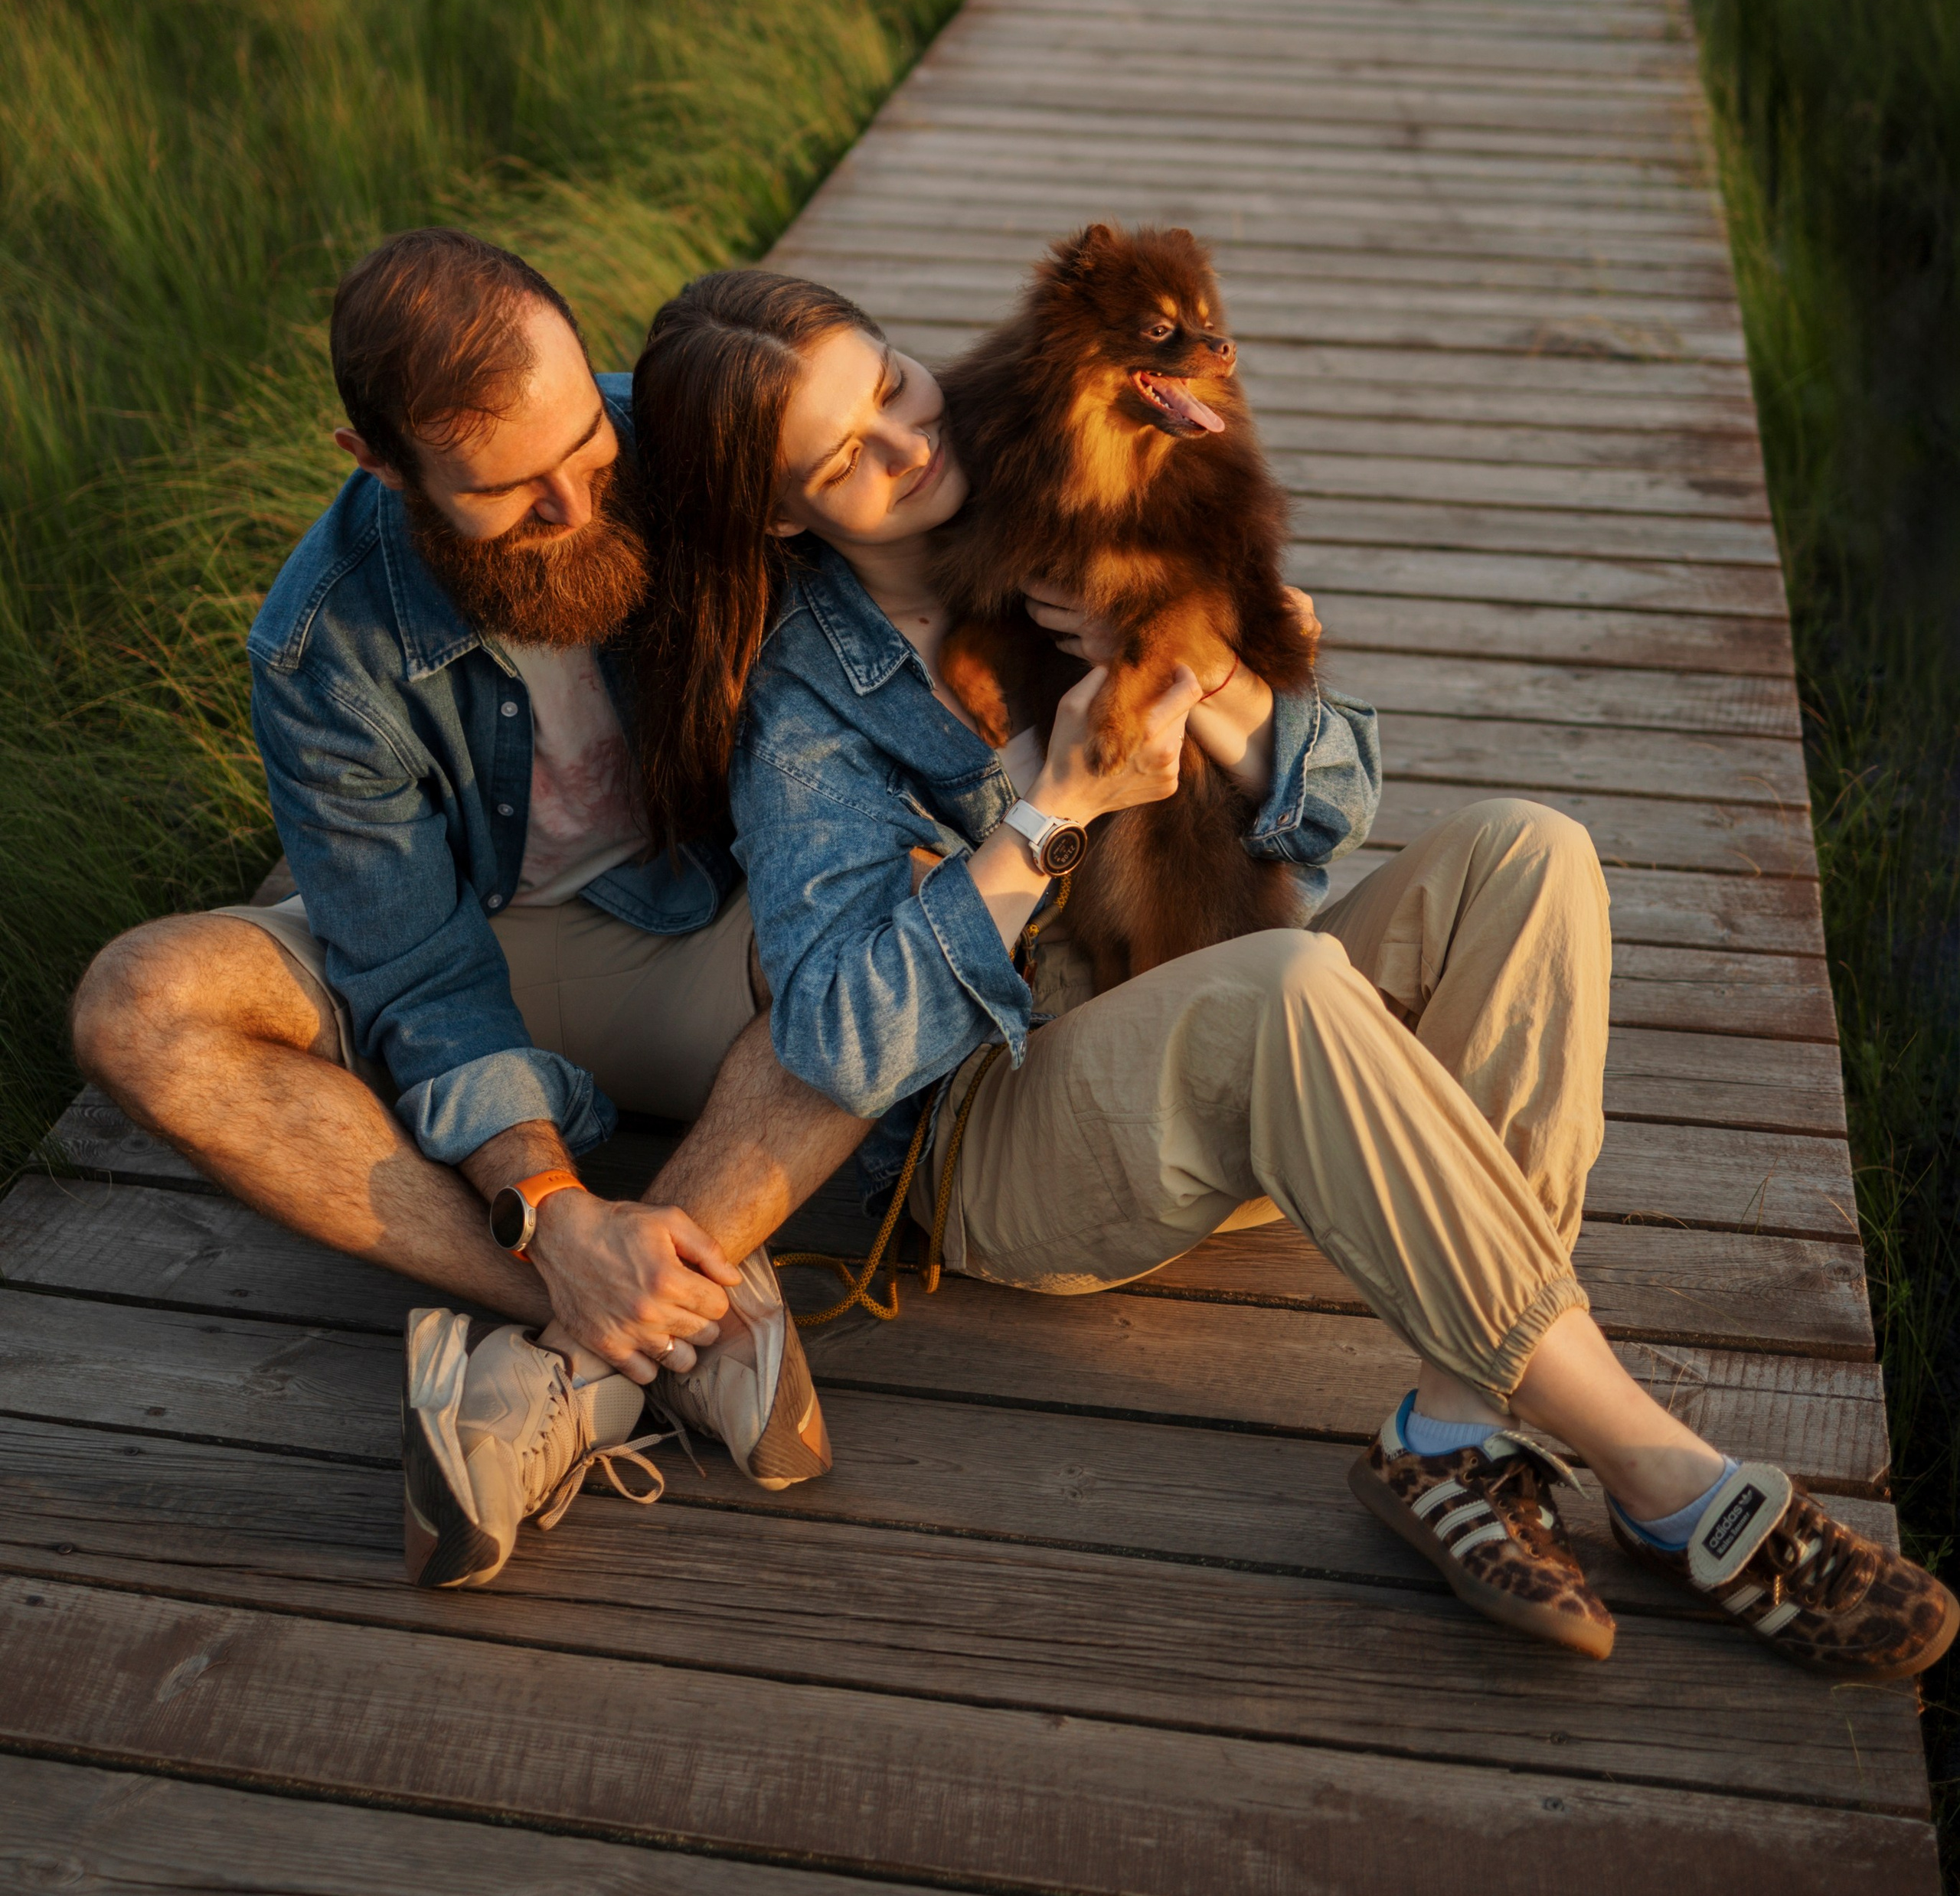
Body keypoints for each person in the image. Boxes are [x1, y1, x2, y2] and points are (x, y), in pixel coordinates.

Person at [625, 262, 1957, 1680]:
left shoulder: (1071, 498)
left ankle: (1456, 1423)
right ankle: (1666, 1472)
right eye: (848, 456)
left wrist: (1238, 695)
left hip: (1251, 1066)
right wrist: (1049, 816)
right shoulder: (805, 706)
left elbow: (1333, 805)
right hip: (1018, 1141)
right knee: (1289, 988)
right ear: (781, 512)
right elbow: (835, 1033)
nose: (909, 443)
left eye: (892, 384)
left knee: (1534, 851)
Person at [71, 229, 854, 1594]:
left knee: (887, 913)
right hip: (461, 934)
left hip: (699, 937)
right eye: (506, 489)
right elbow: (418, 971)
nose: (570, 507)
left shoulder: (677, 445)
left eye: (584, 458)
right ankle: (665, 1314)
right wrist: (551, 1208)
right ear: (378, 464)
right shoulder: (321, 645)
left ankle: (578, 1360)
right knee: (139, 1007)